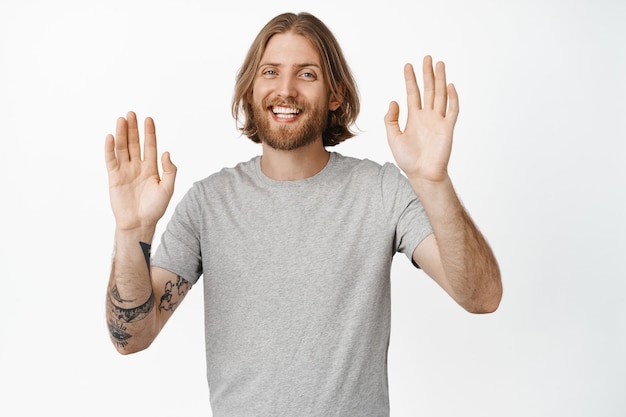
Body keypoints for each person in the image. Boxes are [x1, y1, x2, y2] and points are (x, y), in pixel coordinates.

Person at [104, 11, 502, 416]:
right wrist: (131, 231)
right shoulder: (209, 204)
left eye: (307, 74)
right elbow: (130, 338)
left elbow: (482, 298)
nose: (286, 90)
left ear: (335, 94)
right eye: (270, 72)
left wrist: (433, 182)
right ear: (249, 90)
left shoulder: (380, 191)